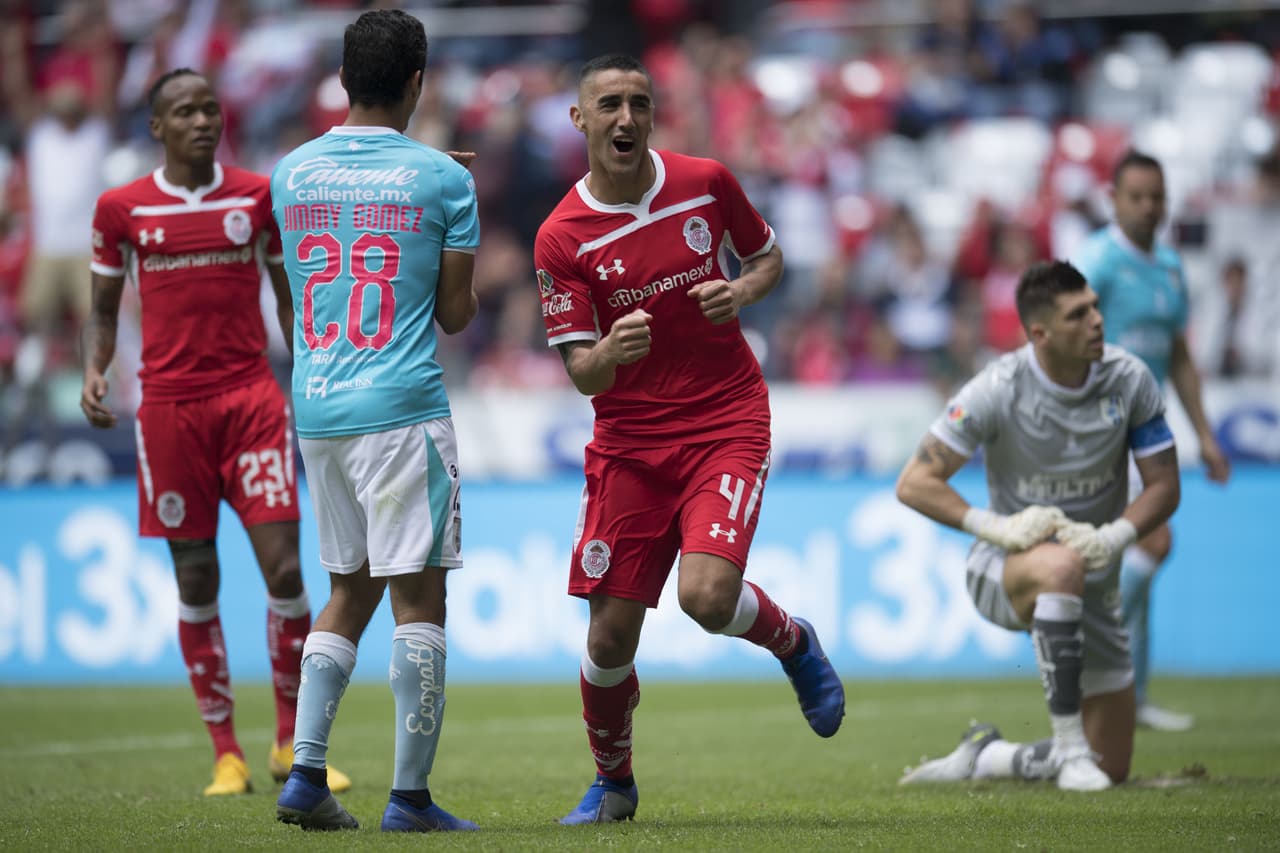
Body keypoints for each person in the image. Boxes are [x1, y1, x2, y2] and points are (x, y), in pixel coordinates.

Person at [533, 53, 846, 825]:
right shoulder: (559, 238)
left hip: (724, 419)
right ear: (581, 119)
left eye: (639, 102)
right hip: (630, 443)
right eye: (609, 104)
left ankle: (792, 641)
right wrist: (610, 352)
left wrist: (739, 289)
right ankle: (614, 781)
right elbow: (581, 373)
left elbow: (769, 256)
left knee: (705, 596)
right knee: (608, 638)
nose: (626, 118)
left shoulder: (705, 181)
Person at [81, 68, 351, 798]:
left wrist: (310, 367)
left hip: (251, 401)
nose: (203, 120)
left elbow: (288, 293)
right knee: (196, 577)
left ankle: (292, 740)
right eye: (185, 111)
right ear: (157, 128)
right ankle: (226, 752)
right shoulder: (122, 208)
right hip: (169, 411)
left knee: (288, 573)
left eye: (210, 108)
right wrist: (95, 370)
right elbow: (103, 308)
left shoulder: (257, 195)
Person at [268, 9, 480, 833]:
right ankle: (410, 800)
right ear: (418, 81)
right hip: (401, 410)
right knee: (419, 598)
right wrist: (449, 205)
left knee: (347, 586)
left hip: (317, 406)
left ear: (345, 77)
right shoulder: (444, 180)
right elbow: (456, 315)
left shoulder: (291, 173)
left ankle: (305, 776)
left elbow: (299, 292)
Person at [894, 259, 1181, 791]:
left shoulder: (1130, 378)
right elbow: (914, 482)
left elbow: (1165, 486)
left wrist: (1115, 535)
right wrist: (994, 527)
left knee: (1111, 766)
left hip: (1094, 576)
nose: (1096, 321)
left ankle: (989, 757)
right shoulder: (997, 388)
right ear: (1039, 333)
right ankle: (1068, 750)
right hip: (1006, 566)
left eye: (1095, 307)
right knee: (1060, 563)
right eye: (1078, 315)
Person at [1071, 150, 1230, 731]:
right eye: (1136, 196)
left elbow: (1180, 356)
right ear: (1113, 199)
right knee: (1153, 543)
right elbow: (1054, 336)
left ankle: (1129, 699)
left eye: (1156, 197)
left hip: (1148, 435)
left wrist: (1206, 436)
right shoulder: (1096, 261)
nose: (1148, 207)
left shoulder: (1169, 265)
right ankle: (1086, 641)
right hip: (1099, 432)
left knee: (1143, 552)